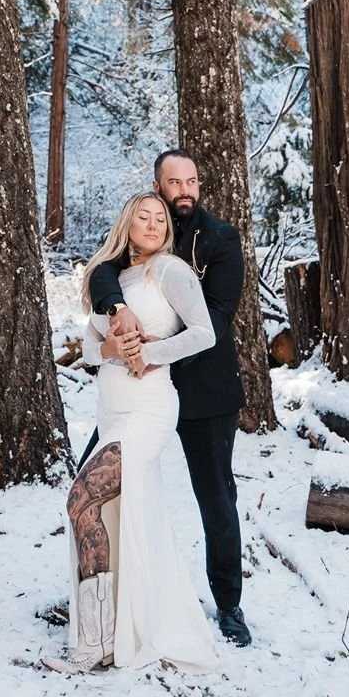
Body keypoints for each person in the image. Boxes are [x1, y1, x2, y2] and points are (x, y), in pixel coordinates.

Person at [86, 149, 252, 648]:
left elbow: (216, 323)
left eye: (191, 182)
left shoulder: (220, 239)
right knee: (95, 483)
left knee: (216, 498)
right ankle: (101, 595)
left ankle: (228, 604)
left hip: (203, 389)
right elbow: (102, 273)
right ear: (156, 187)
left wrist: (149, 351)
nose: (183, 191)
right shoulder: (144, 232)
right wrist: (116, 308)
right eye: (173, 183)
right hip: (135, 393)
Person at [53, 193, 218, 673]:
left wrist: (151, 353)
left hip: (149, 409)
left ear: (168, 229)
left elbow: (204, 332)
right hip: (112, 412)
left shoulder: (170, 271)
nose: (151, 223)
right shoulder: (116, 280)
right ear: (128, 223)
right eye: (142, 217)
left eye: (159, 218)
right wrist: (111, 345)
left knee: (81, 499)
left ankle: (95, 645)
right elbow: (88, 350)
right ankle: (103, 638)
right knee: (101, 513)